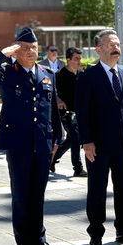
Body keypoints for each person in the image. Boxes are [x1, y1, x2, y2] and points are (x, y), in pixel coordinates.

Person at [0, 27, 62, 245]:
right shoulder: (6, 73)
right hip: (18, 143)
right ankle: (23, 242)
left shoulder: (47, 74)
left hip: (42, 143)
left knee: (38, 194)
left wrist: (57, 138)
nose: (31, 51)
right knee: (21, 194)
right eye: (25, 48)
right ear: (16, 51)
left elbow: (52, 109)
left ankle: (39, 239)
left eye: (34, 47)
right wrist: (2, 54)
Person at [75, 30, 123, 245]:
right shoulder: (87, 76)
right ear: (98, 49)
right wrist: (86, 141)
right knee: (97, 189)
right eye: (110, 44)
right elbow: (82, 112)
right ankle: (96, 233)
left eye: (118, 44)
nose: (116, 48)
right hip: (98, 145)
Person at [52, 47, 86, 176]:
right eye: (76, 59)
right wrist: (58, 99)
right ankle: (77, 168)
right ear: (68, 60)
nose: (79, 61)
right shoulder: (59, 76)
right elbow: (52, 92)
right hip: (66, 113)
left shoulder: (82, 75)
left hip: (80, 112)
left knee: (71, 139)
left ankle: (53, 157)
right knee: (75, 137)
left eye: (80, 58)